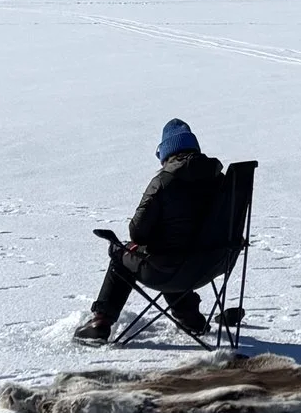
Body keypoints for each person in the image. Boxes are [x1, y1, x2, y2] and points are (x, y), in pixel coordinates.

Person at [76, 119, 228, 343]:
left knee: (122, 252)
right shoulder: (223, 181)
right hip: (215, 263)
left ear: (166, 153)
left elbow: (137, 232)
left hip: (169, 269)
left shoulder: (163, 182)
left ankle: (101, 321)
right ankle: (189, 316)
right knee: (173, 254)